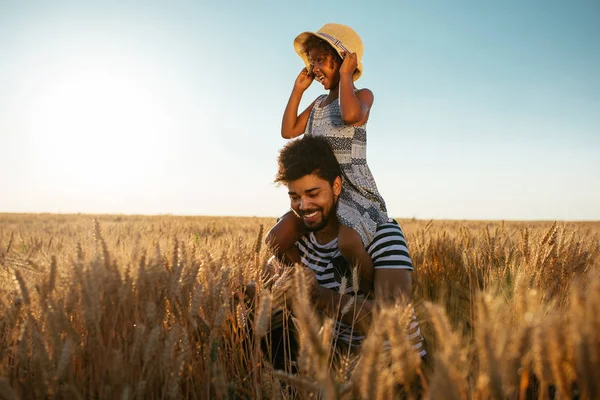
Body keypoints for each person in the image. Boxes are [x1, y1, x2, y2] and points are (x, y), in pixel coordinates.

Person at [265, 135, 425, 370]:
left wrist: (316, 295)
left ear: (336, 186)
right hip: (343, 368)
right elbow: (269, 275)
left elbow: (394, 319)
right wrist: (268, 291)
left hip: (400, 370)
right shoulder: (300, 242)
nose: (303, 206)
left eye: (313, 193)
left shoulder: (380, 232)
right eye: (295, 197)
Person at [266, 23, 388, 297]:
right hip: (319, 193)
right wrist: (298, 90)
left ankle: (366, 294)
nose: (314, 67)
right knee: (276, 238)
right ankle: (309, 281)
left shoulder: (362, 95)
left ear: (344, 59)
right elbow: (288, 131)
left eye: (320, 59)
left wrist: (346, 75)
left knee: (348, 243)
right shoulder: (318, 103)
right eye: (311, 61)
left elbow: (350, 116)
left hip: (352, 191)